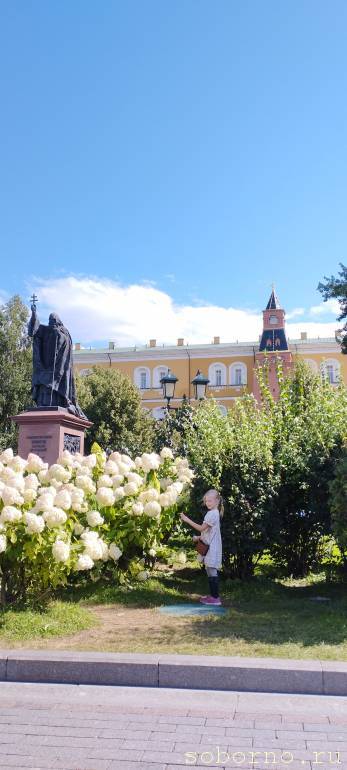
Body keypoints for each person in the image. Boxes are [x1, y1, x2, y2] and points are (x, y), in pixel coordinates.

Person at [180, 489, 223, 606]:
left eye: (210, 500)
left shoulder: (212, 514)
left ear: (217, 501)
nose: (208, 503)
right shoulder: (214, 513)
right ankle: (213, 596)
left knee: (212, 570)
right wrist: (199, 538)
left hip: (212, 547)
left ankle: (215, 598)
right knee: (209, 569)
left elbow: (201, 528)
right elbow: (209, 532)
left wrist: (187, 519)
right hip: (211, 545)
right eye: (206, 501)